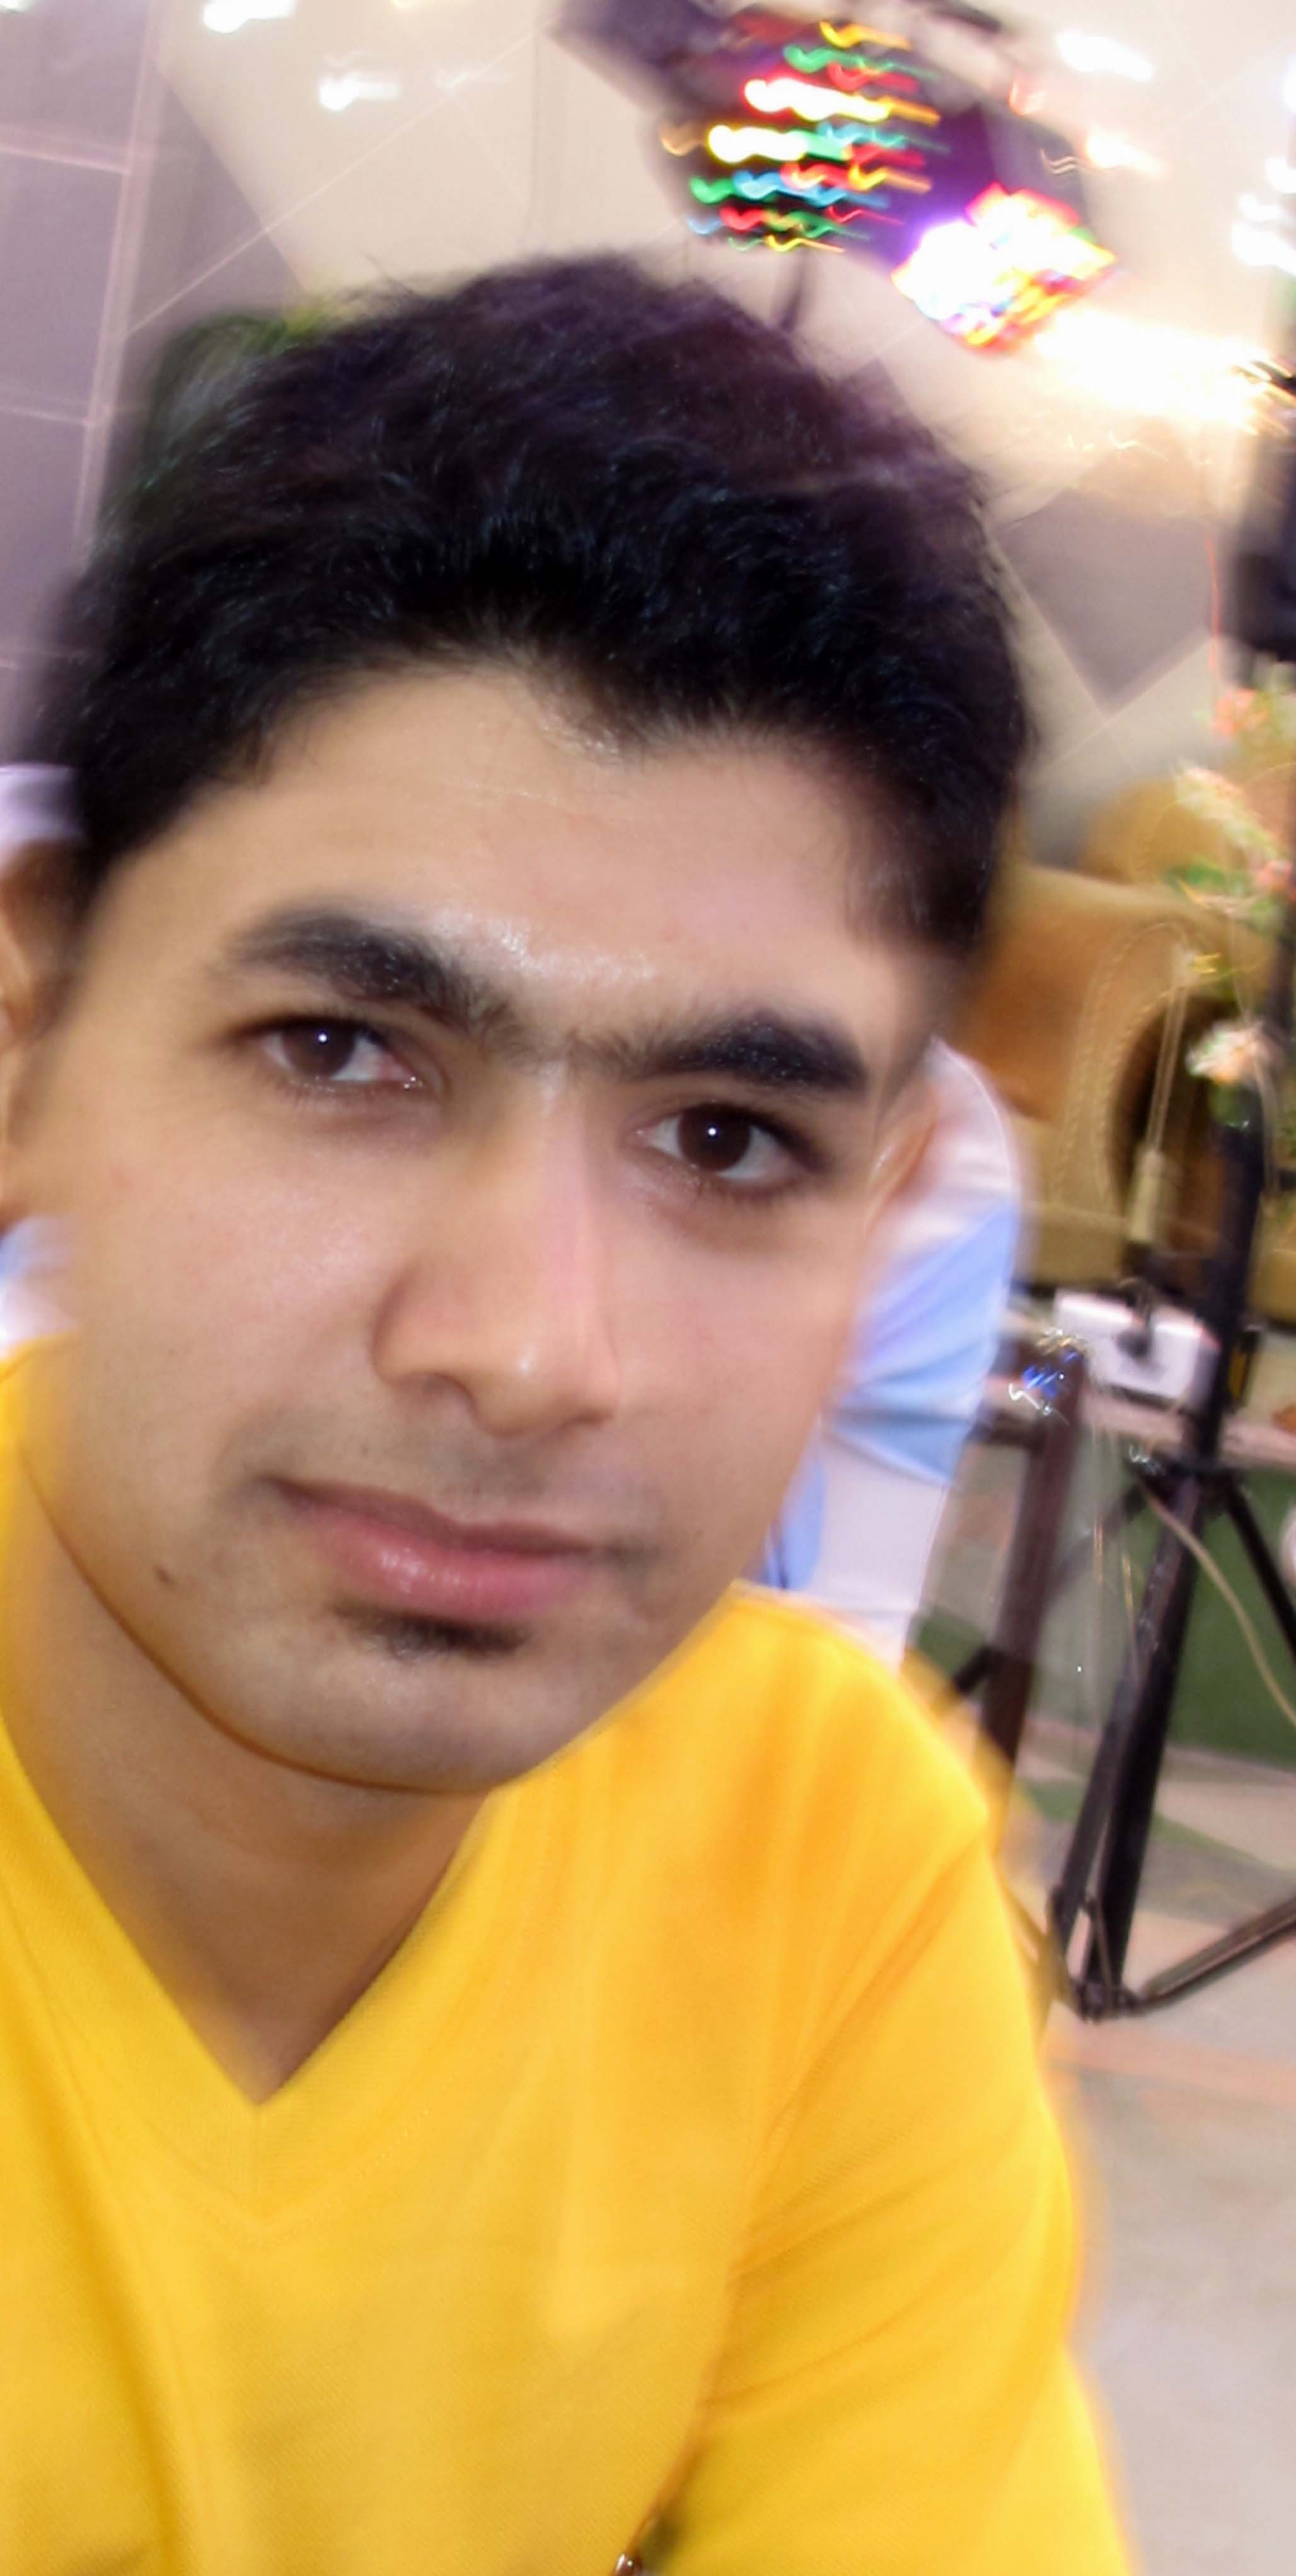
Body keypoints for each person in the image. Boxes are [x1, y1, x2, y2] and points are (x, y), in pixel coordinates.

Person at [0, 257, 1125, 2573]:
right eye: (341, 1052)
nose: (527, 1351)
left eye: (728, 1140)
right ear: (36, 1040)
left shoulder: (821, 1860)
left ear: (890, 1213)